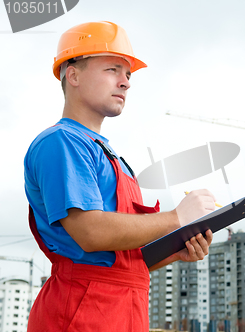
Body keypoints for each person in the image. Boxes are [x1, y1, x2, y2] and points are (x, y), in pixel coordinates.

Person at [24, 21, 215, 332]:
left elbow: (116, 258)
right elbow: (90, 233)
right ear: (73, 74)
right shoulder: (61, 143)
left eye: (128, 74)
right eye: (113, 69)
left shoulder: (111, 156)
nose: (126, 82)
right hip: (81, 311)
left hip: (124, 308)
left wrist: (173, 251)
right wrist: (176, 218)